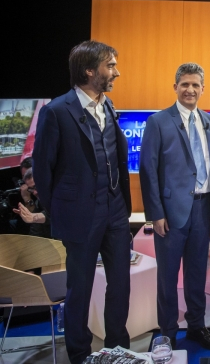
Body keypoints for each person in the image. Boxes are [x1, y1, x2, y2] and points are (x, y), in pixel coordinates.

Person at [32, 40, 132, 364]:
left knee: (120, 285)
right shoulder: (56, 112)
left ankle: (118, 347)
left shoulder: (109, 105)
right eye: (110, 66)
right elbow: (42, 171)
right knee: (80, 290)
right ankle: (79, 354)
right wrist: (59, 211)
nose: (116, 71)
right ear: (90, 71)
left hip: (115, 210)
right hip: (80, 216)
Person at [139, 63, 210, 351]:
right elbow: (148, 171)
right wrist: (156, 214)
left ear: (202, 88)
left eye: (195, 85)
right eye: (184, 84)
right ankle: (168, 333)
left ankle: (197, 326)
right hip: (170, 215)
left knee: (198, 273)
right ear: (175, 87)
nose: (190, 89)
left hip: (203, 210)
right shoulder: (158, 121)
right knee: (167, 276)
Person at [12, 168, 52, 238]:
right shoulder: (39, 203)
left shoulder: (63, 198)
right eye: (31, 189)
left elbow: (58, 215)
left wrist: (34, 217)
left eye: (36, 187)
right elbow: (36, 232)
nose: (35, 192)